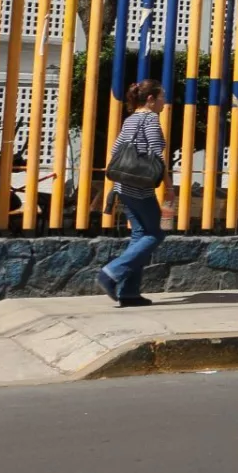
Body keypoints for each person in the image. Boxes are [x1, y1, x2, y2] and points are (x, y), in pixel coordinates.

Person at [96, 80, 167, 307]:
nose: (164, 102)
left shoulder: (130, 120)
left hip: (122, 187)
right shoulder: (151, 119)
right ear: (151, 99)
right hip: (141, 188)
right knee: (157, 232)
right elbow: (158, 157)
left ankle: (129, 293)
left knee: (139, 235)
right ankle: (111, 273)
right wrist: (171, 189)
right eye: (162, 97)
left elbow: (116, 150)